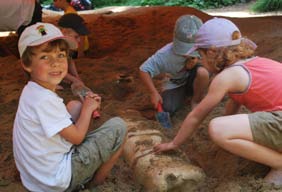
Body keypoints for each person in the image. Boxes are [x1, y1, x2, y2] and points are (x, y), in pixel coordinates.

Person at [153, 17, 282, 186]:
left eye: (201, 55)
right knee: (224, 127)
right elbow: (234, 103)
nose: (200, 60)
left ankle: (279, 164)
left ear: (212, 52)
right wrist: (228, 139)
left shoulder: (226, 77)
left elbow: (196, 116)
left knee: (217, 127)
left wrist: (174, 143)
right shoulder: (254, 63)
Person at [13, 22, 127, 191]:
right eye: (45, 57)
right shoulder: (44, 100)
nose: (56, 63)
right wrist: (88, 109)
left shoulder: (32, 91)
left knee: (74, 106)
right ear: (26, 64)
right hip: (56, 181)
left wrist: (84, 106)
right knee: (119, 127)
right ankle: (95, 184)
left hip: (36, 176)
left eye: (61, 55)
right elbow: (77, 138)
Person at [139, 15, 209, 116]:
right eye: (184, 47)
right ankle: (184, 94)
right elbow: (143, 70)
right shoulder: (165, 54)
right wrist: (153, 92)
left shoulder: (206, 47)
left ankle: (196, 100)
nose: (186, 53)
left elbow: (213, 66)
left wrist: (197, 63)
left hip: (196, 78)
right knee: (168, 107)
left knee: (203, 73)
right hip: (176, 83)